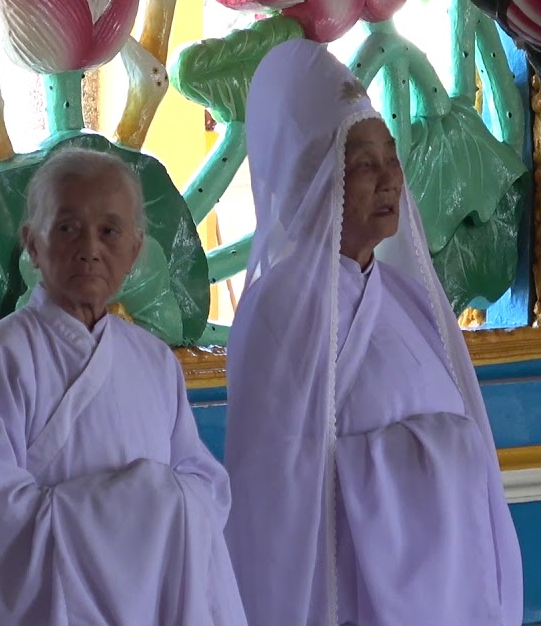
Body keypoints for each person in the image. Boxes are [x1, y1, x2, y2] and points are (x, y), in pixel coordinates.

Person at [224, 39, 525, 626]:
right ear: (311, 177)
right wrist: (421, 456)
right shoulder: (279, 308)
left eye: (391, 158)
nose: (390, 180)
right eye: (363, 164)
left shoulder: (407, 299)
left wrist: (445, 455)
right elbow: (278, 494)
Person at [0, 148, 247, 625]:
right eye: (67, 228)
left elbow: (204, 486)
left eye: (109, 231)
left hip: (151, 602)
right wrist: (140, 503)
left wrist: (164, 503)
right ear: (32, 244)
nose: (90, 248)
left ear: (134, 249)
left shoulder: (154, 361)